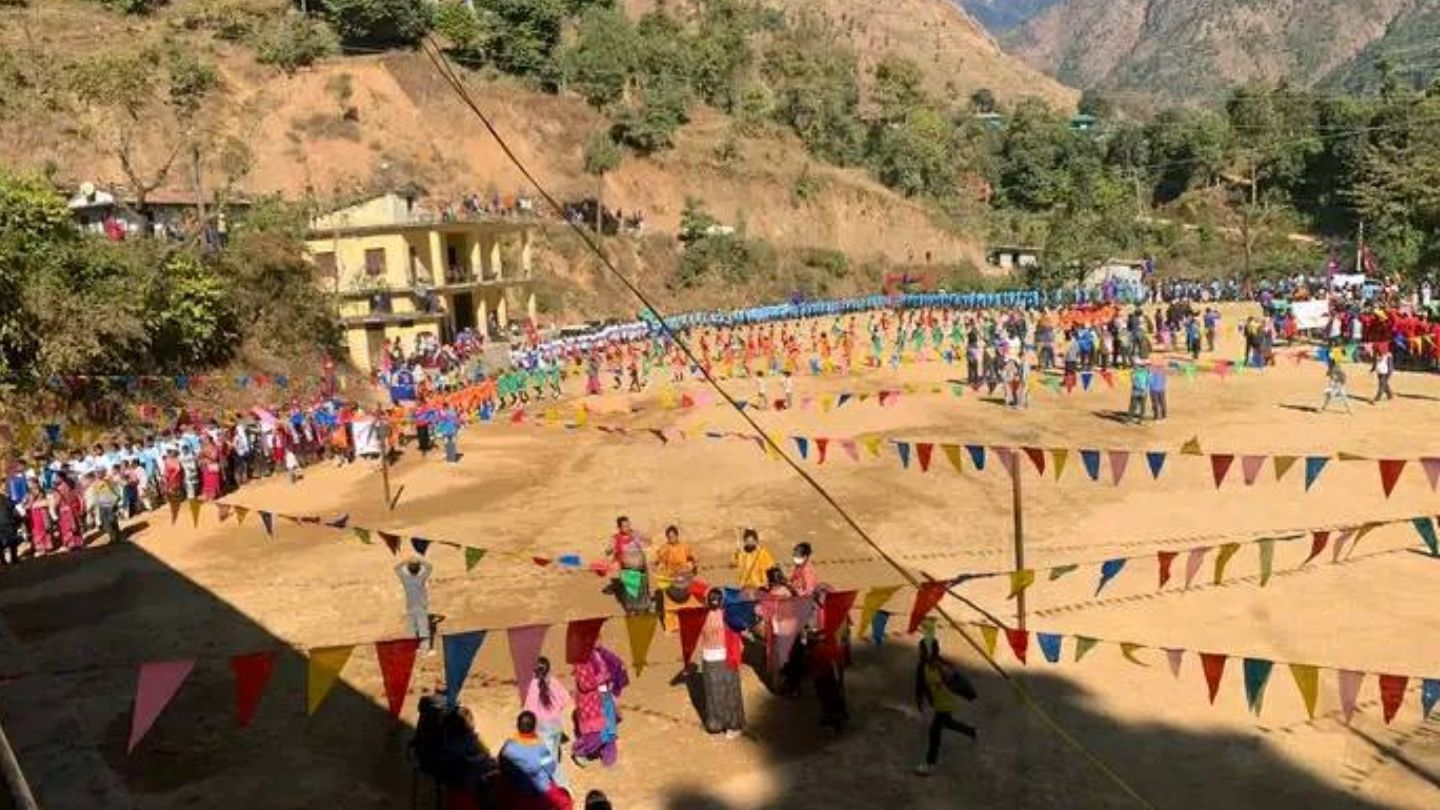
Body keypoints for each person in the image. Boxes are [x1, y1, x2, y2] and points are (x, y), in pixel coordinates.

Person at [914, 638, 977, 776]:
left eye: (922, 650)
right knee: (947, 723)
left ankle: (930, 764)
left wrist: (969, 694)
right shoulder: (922, 666)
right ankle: (970, 731)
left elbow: (959, 682)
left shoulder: (942, 667)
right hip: (937, 702)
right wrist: (919, 700)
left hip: (946, 701)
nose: (919, 652)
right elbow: (920, 684)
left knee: (934, 732)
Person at [696, 588, 745, 738]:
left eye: (717, 599)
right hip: (710, 657)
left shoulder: (728, 615)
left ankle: (733, 725)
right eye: (712, 598)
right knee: (713, 692)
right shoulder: (701, 615)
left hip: (725, 655)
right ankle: (716, 724)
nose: (714, 601)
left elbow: (738, 634)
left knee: (728, 690)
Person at [498, 711, 572, 809]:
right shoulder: (540, 748)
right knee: (565, 802)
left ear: (518, 726)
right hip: (539, 790)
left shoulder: (508, 746)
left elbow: (502, 764)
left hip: (515, 790)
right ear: (534, 728)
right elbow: (550, 769)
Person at [571, 644, 628, 768]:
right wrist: (602, 677)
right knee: (595, 734)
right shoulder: (580, 661)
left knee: (610, 728)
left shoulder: (600, 653)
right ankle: (580, 751)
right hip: (590, 702)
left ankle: (609, 758)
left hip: (604, 693)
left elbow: (614, 666)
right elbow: (585, 685)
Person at [522, 657, 573, 790]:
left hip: (542, 728)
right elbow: (566, 699)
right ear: (548, 670)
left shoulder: (533, 685)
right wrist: (555, 710)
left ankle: (562, 788)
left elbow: (529, 709)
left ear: (535, 671)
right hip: (556, 725)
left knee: (548, 762)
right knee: (553, 754)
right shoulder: (554, 681)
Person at [396, 557, 435, 654]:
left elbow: (397, 568)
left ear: (409, 570)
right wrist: (420, 560)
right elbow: (429, 567)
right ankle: (424, 649)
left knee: (412, 628)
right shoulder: (420, 578)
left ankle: (412, 648)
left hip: (410, 606)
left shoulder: (405, 579)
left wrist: (405, 560)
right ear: (418, 570)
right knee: (423, 628)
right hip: (421, 606)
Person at [732, 528, 776, 592]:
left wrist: (765, 584)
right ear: (744, 541)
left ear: (756, 541)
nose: (750, 543)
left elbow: (771, 567)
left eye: (752, 541)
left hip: (759, 587)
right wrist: (736, 552)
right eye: (748, 541)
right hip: (744, 587)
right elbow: (732, 564)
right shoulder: (741, 553)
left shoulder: (762, 552)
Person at [0, 490, 20, 565]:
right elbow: (12, 506)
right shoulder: (4, 497)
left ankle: (3, 560)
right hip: (7, 522)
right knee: (12, 541)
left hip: (4, 522)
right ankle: (14, 558)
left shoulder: (4, 497)